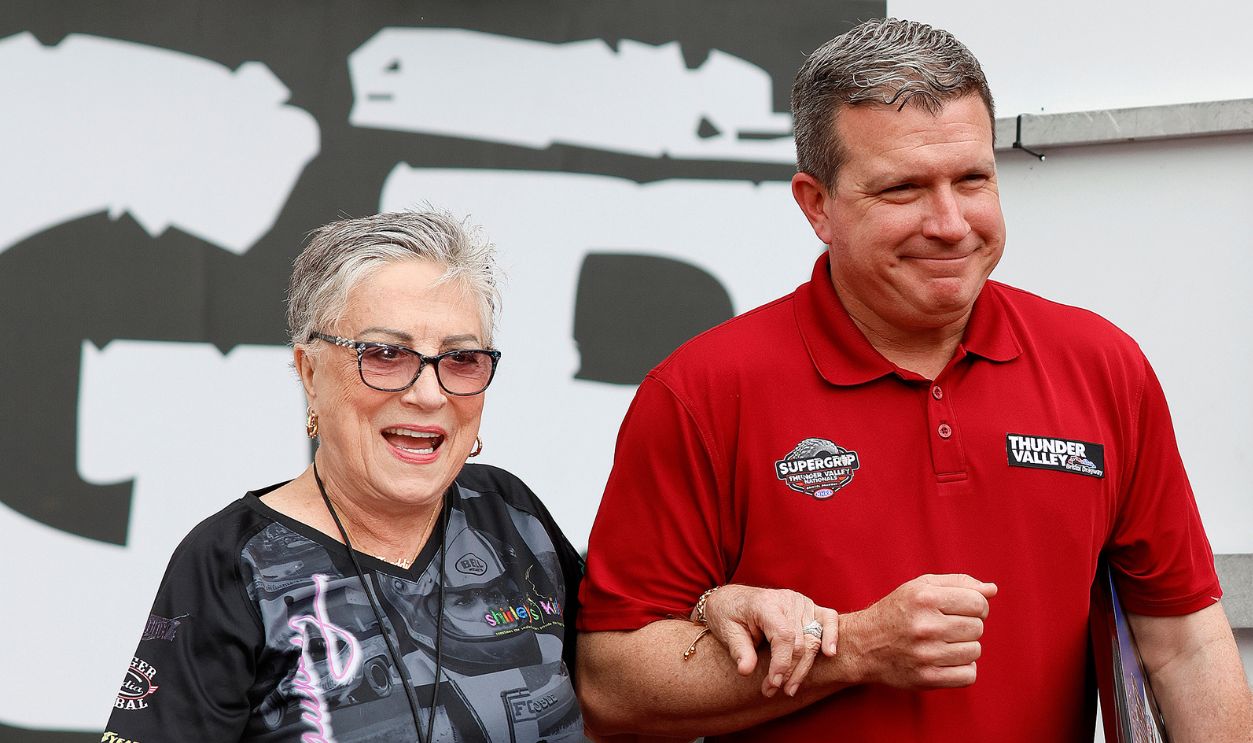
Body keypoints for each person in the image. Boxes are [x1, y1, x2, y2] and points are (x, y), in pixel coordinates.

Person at [575, 17, 1253, 742]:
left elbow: (1181, 643)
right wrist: (856, 646)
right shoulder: (702, 391)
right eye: (902, 189)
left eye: (972, 178)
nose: (949, 222)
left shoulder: (1100, 364)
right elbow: (612, 685)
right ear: (816, 205)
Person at [103, 210, 584, 742]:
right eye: (384, 354)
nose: (428, 394)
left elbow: (623, 697)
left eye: (462, 359)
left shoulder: (511, 515)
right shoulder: (236, 560)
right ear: (309, 373)